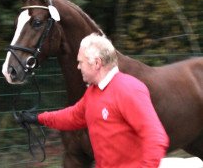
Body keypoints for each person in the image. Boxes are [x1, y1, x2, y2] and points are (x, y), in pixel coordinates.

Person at [20, 33, 169, 168]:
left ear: (96, 63)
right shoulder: (93, 91)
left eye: (81, 62)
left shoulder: (129, 89)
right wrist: (37, 119)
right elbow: (72, 116)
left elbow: (156, 138)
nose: (78, 67)